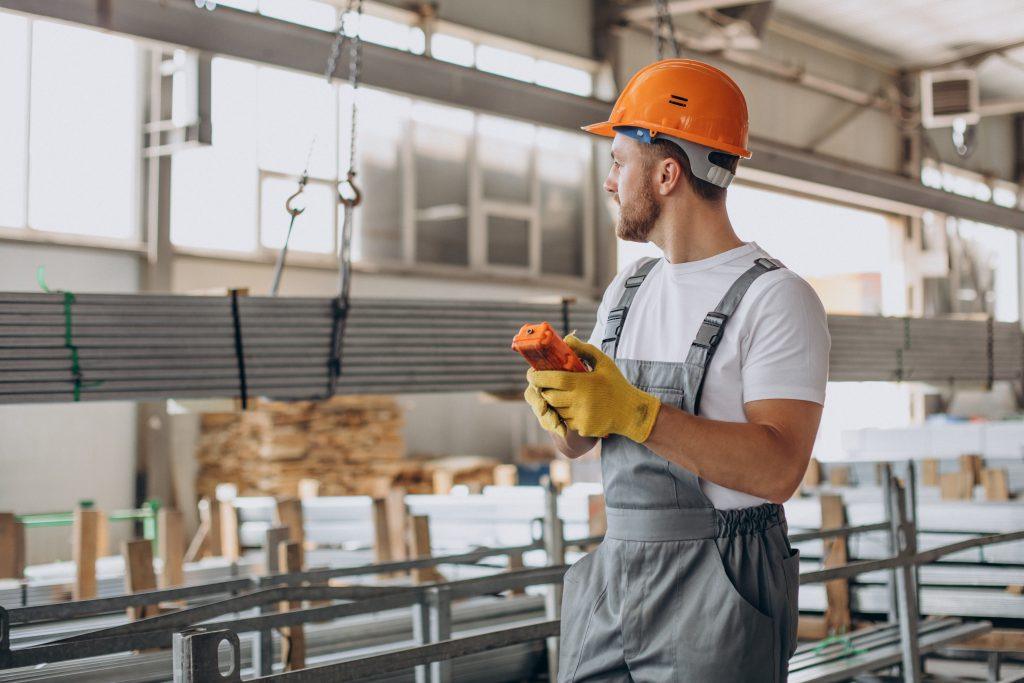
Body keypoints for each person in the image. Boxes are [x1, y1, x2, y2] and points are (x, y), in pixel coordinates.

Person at [524, 59, 830, 682]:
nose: (609, 182)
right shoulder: (628, 288)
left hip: (721, 578)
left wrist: (636, 413)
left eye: (619, 162)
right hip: (617, 569)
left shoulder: (776, 297)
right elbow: (581, 443)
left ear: (667, 174)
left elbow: (778, 470)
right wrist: (564, 412)